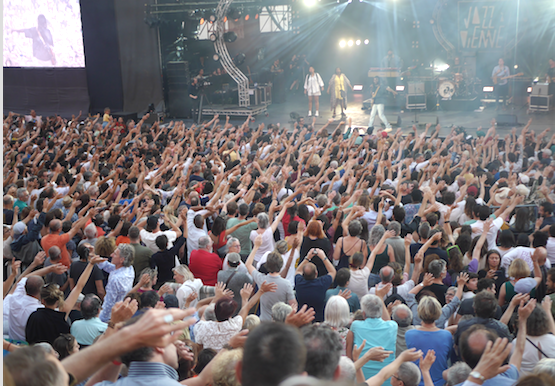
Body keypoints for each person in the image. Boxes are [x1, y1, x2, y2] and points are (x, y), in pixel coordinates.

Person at [245, 235, 297, 321]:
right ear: (280, 266)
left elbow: (248, 264)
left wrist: (256, 247)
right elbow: (293, 306)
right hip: (280, 323)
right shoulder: (286, 284)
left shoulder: (261, 279)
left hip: (263, 321)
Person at [347, 294, 397, 380]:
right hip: (387, 380)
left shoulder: (356, 325)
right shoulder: (393, 326)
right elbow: (387, 319)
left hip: (362, 380)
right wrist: (380, 296)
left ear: (363, 313)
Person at [295, 247, 337, 322]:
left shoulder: (299, 282)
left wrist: (307, 257)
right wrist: (323, 257)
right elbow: (332, 272)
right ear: (316, 273)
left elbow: (298, 271)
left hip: (302, 319)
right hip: (319, 319)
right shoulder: (322, 283)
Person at [97, 244, 136, 322]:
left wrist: (101, 319)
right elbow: (110, 268)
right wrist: (96, 259)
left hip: (111, 316)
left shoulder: (115, 279)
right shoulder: (129, 269)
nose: (111, 255)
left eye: (114, 254)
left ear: (122, 260)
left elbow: (109, 303)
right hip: (123, 311)